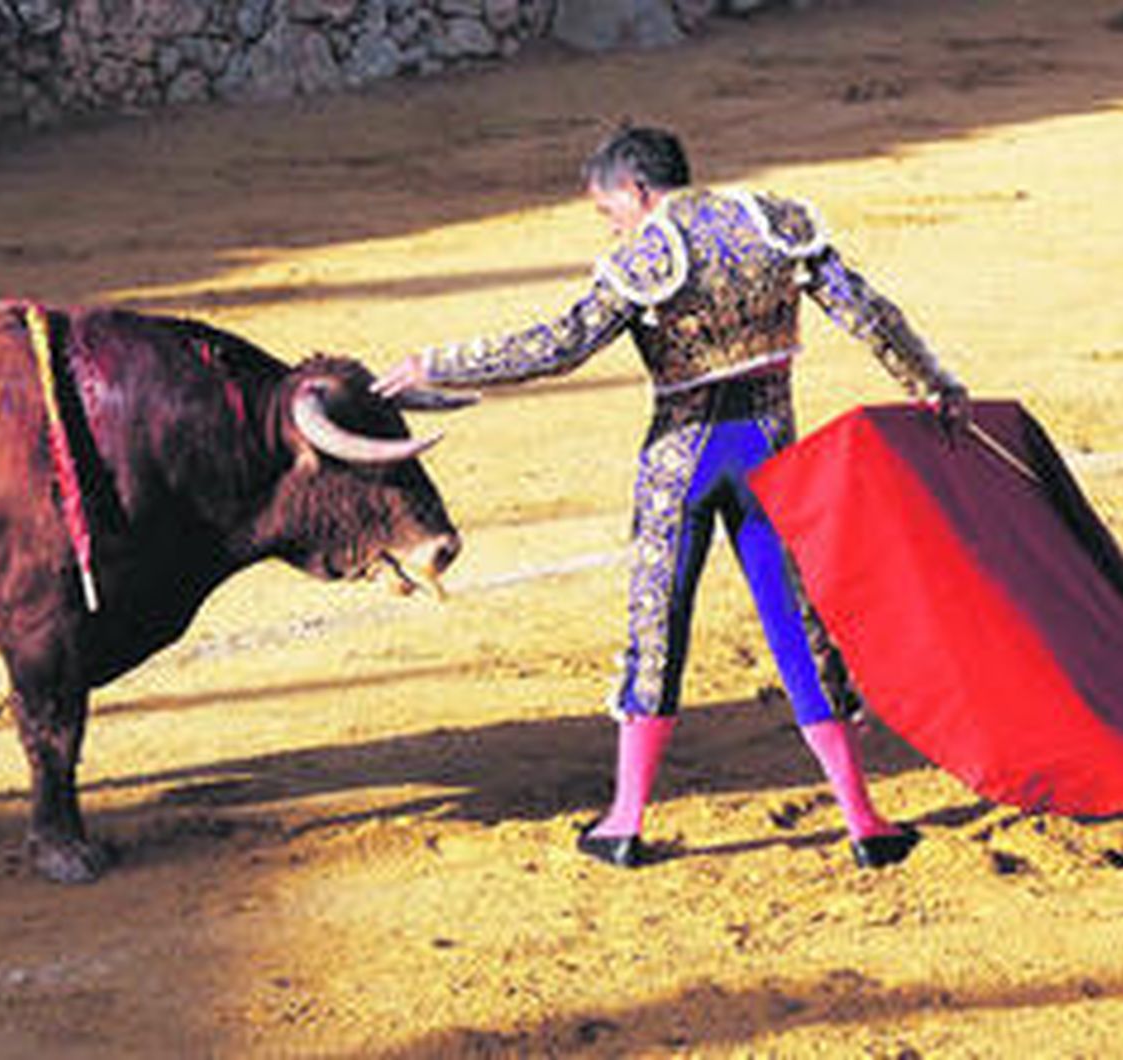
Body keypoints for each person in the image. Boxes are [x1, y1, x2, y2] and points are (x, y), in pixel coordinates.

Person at [374, 125, 969, 870]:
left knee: (657, 631)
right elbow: (867, 311)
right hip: (771, 456)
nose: (612, 223)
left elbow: (560, 346)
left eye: (607, 209)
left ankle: (625, 822)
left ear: (636, 190)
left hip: (681, 465)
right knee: (801, 632)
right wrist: (933, 385)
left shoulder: (648, 253)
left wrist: (440, 363)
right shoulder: (774, 223)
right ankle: (864, 820)